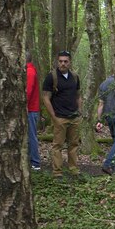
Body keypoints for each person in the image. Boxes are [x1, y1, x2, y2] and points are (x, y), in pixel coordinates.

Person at [41, 51, 82, 179]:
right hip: (60, 117)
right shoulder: (51, 77)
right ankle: (57, 172)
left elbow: (78, 95)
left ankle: (73, 169)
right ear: (57, 62)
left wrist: (79, 111)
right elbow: (46, 98)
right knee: (57, 145)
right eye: (60, 61)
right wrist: (53, 117)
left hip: (74, 117)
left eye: (65, 61)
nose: (63, 64)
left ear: (70, 62)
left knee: (74, 144)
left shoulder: (74, 77)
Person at [26, 52, 41, 171]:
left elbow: (28, 90)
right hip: (30, 108)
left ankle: (35, 162)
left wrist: (24, 104)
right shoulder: (30, 70)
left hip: (30, 109)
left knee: (31, 135)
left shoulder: (30, 72)